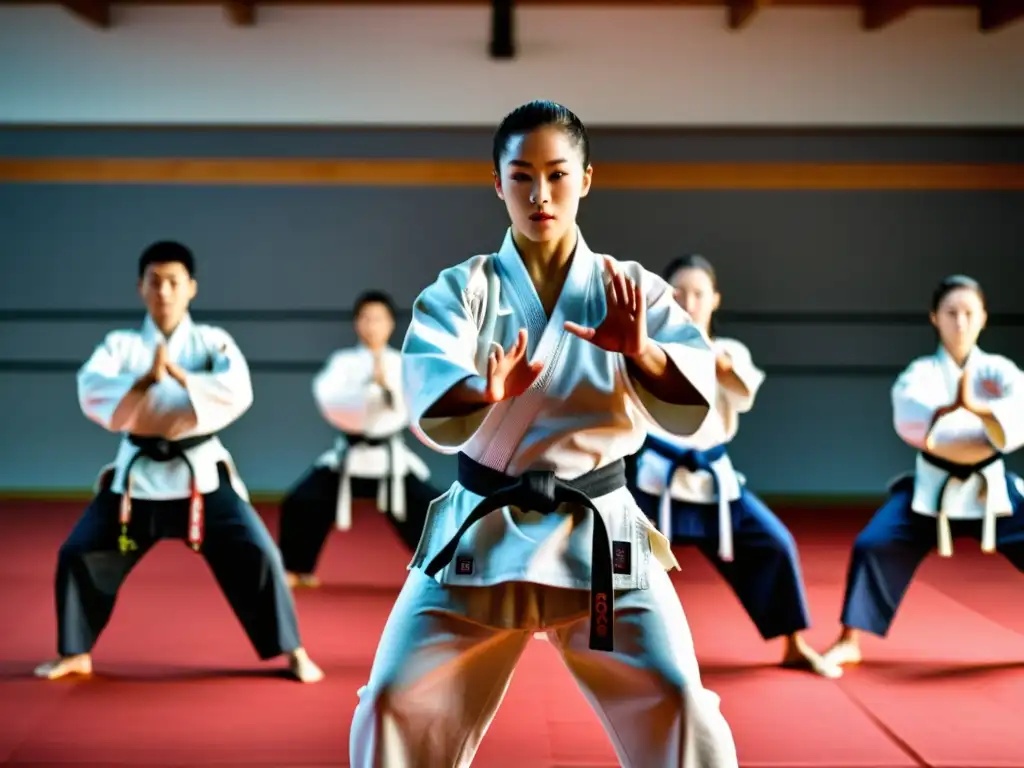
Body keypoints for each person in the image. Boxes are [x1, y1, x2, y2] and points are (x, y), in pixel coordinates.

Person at [349, 100, 738, 768]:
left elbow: (693, 401)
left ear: (586, 179)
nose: (540, 195)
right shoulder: (462, 290)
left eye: (557, 175)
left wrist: (642, 354)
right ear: (497, 183)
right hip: (481, 527)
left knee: (679, 700)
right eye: (522, 176)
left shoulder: (630, 290)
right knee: (390, 700)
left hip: (599, 533)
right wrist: (484, 392)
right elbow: (427, 390)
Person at [34, 241, 323, 684]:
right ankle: (75, 651)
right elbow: (91, 388)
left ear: (191, 288)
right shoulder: (121, 346)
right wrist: (145, 379)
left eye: (173, 282)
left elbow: (236, 389)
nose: (164, 291)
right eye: (155, 282)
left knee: (259, 553)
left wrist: (182, 377)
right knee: (79, 552)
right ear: (140, 288)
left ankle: (292, 648)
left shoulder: (212, 341)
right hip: (137, 480)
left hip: (201, 476)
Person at [629, 254, 840, 679]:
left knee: (775, 544)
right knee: (617, 556)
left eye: (699, 293)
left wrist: (707, 354)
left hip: (714, 485)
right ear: (666, 297)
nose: (690, 301)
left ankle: (793, 644)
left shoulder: (730, 352)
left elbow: (741, 392)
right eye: (680, 292)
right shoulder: (645, 348)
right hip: (656, 482)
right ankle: (608, 649)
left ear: (715, 299)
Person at [823, 274, 1024, 668]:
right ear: (935, 318)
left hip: (991, 488)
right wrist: (959, 415)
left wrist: (977, 411)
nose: (960, 322)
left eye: (969, 313)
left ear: (984, 317)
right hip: (933, 489)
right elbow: (913, 421)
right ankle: (851, 638)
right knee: (874, 544)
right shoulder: (921, 373)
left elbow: (1017, 420)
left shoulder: (1001, 371)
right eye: (951, 313)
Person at [277, 290, 440, 587]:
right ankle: (295, 568)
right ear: (356, 324)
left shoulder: (404, 362)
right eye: (365, 318)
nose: (372, 326)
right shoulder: (342, 362)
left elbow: (413, 405)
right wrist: (367, 389)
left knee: (429, 507)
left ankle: (438, 570)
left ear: (391, 324)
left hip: (391, 461)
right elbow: (329, 400)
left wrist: (386, 385)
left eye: (378, 319)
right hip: (349, 457)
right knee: (302, 501)